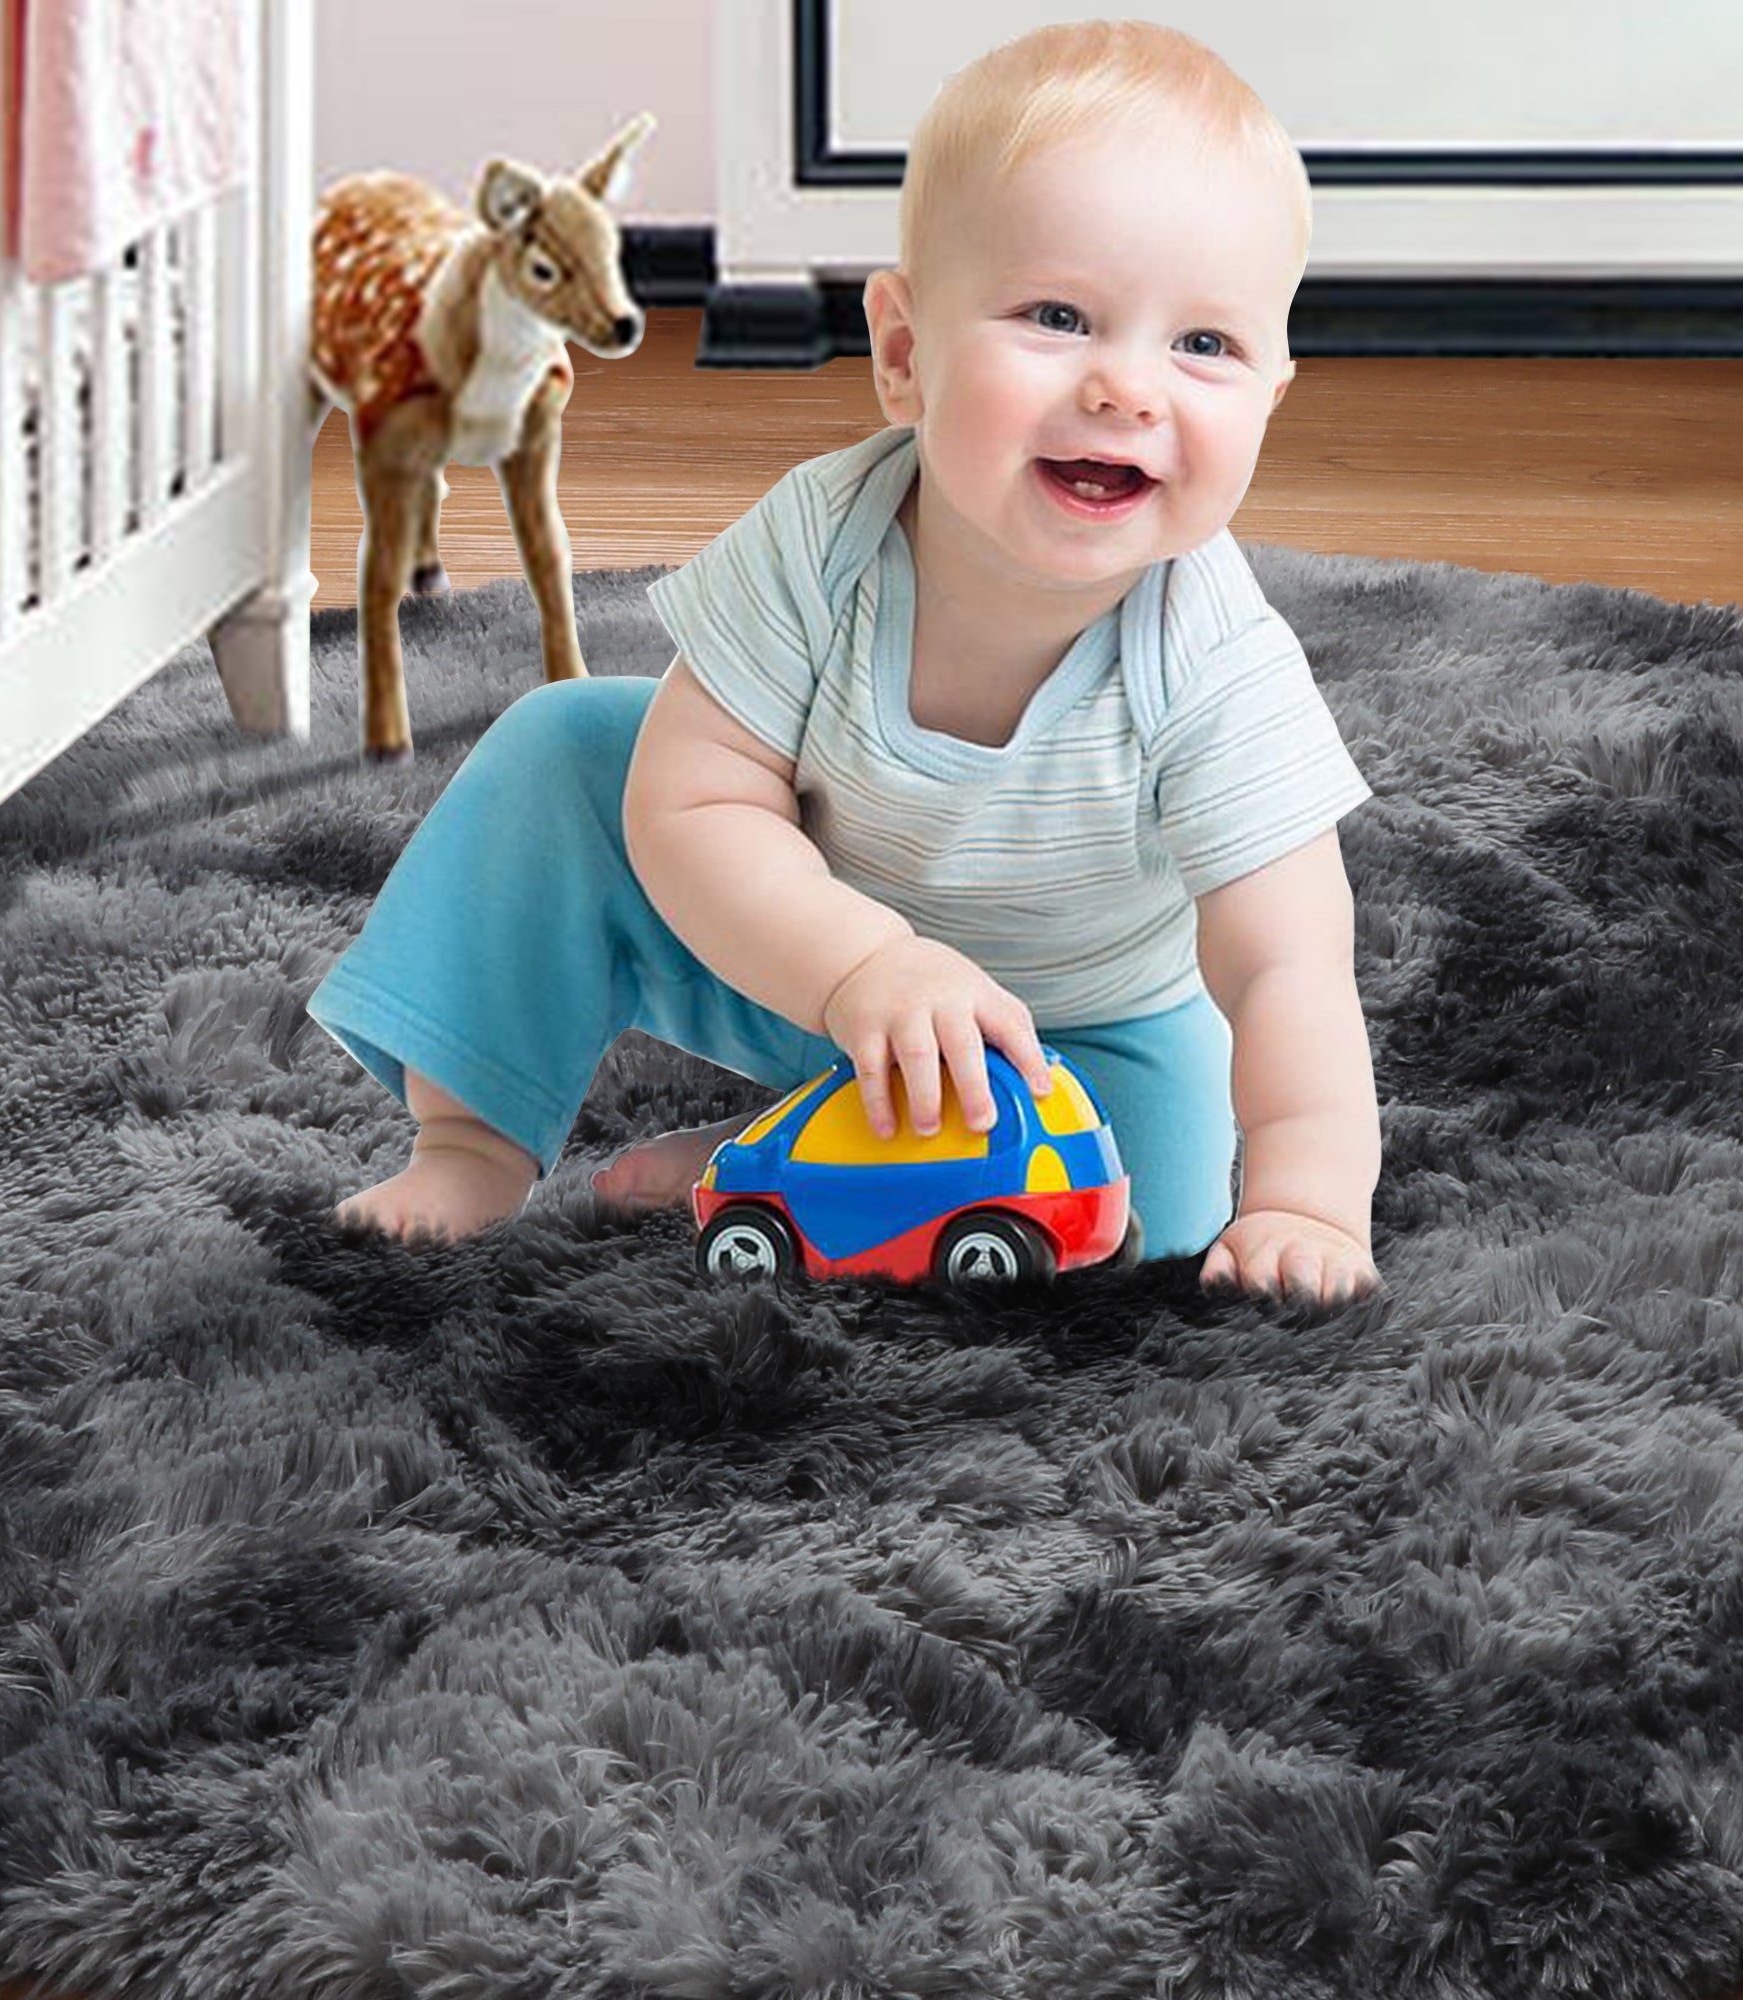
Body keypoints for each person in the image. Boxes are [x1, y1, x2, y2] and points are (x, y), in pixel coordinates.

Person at [307, 19, 1382, 1306]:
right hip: (790, 946)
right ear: (902, 352)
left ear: (1270, 395)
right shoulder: (825, 541)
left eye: (1203, 345)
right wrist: (859, 966)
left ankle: (806, 1162)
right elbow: (693, 803)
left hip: (1072, 1041)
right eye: (1056, 316)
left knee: (1145, 1221)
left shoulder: (1211, 658)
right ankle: (474, 1134)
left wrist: (1306, 1201)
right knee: (570, 748)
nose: (1128, 389)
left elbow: (1285, 962)